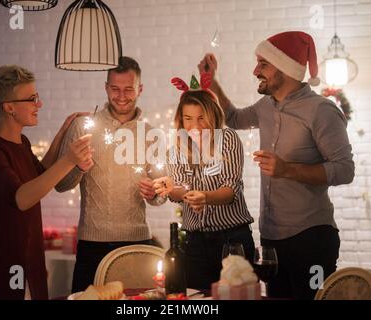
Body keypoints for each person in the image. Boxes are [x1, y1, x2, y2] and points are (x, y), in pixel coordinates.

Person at [198, 31, 355, 299]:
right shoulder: (266, 106)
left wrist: (288, 169)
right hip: (271, 239)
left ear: (285, 68)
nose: (255, 70)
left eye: (263, 64)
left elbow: (345, 170)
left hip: (312, 239)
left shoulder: (322, 111)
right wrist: (212, 83)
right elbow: (234, 118)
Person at [0, 65, 93, 300]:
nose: (38, 104)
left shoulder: (22, 143)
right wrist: (70, 159)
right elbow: (22, 197)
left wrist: (63, 134)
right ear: (9, 107)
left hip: (17, 256)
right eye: (32, 99)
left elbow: (39, 174)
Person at [54, 56, 166, 293]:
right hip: (92, 245)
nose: (122, 96)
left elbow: (161, 195)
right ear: (106, 87)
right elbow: (60, 185)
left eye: (129, 89)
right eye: (115, 89)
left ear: (140, 89)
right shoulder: (84, 127)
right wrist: (79, 167)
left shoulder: (151, 134)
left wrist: (154, 192)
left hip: (137, 243)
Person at [153, 78, 255, 291]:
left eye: (202, 118)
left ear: (213, 116)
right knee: (197, 300)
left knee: (238, 297)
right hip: (195, 243)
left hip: (232, 240)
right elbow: (183, 188)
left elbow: (231, 189)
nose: (195, 126)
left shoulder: (227, 138)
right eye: (188, 118)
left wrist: (205, 197)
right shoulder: (176, 150)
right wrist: (172, 189)